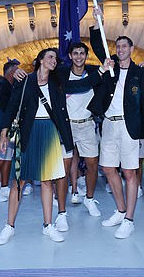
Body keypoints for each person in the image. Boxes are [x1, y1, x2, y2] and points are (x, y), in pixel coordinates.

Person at [0, 48, 110, 245]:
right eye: (50, 57)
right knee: (18, 181)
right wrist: (4, 130)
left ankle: (48, 225)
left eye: (56, 58)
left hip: (50, 131)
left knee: (48, 181)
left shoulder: (58, 82)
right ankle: (9, 226)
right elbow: (12, 105)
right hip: (28, 131)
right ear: (40, 60)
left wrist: (101, 70)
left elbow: (82, 84)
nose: (54, 61)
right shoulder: (25, 80)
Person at [89, 8, 144, 240]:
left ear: (131, 49)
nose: (120, 50)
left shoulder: (140, 72)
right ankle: (120, 210)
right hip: (109, 125)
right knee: (108, 168)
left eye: (124, 46)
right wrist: (98, 22)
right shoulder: (110, 68)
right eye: (117, 47)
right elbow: (99, 48)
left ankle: (129, 219)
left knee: (129, 171)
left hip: (130, 127)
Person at [59, 42, 105, 218]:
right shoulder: (62, 75)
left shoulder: (94, 73)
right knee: (63, 168)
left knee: (93, 165)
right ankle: (62, 210)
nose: (79, 56)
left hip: (87, 125)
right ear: (70, 56)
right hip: (67, 126)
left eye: (82, 53)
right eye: (75, 53)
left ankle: (90, 198)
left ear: (86, 56)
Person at [0, 62, 20, 202]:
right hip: (0, 128)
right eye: (17, 70)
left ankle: (5, 187)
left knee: (7, 160)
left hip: (8, 128)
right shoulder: (2, 85)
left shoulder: (10, 86)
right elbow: (6, 107)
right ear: (11, 71)